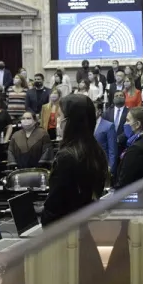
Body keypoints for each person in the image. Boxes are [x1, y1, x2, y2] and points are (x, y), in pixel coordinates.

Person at [41, 94, 108, 226]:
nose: (58, 121)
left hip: (66, 232)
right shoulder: (97, 151)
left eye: (60, 116)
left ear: (69, 121)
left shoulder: (67, 157)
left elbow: (54, 207)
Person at [93, 101, 118, 175]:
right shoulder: (86, 125)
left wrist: (111, 169)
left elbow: (112, 150)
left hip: (103, 166)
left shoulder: (109, 126)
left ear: (99, 111)